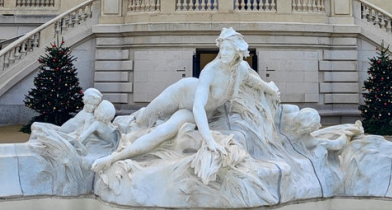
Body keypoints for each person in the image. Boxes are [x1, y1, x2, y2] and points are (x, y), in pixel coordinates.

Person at [91, 27, 280, 172]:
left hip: (190, 112)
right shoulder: (210, 72)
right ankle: (122, 130)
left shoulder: (242, 70)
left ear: (237, 53)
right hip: (182, 94)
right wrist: (209, 140)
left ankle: (113, 158)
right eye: (222, 49)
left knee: (163, 132)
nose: (223, 53)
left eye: (228, 50)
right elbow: (198, 106)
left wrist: (272, 90)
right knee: (143, 119)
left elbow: (261, 85)